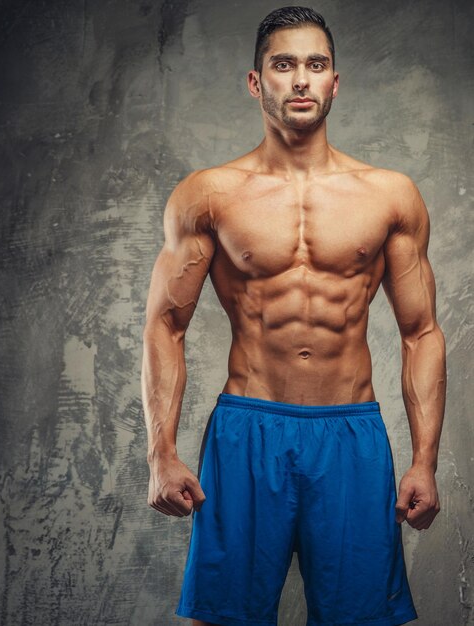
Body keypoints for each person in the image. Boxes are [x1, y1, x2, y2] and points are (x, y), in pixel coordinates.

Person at [141, 6, 446, 626]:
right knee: (221, 618)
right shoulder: (208, 194)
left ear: (336, 80)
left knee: (361, 619)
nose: (301, 79)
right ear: (257, 82)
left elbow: (421, 333)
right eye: (284, 65)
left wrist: (424, 460)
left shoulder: (390, 195)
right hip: (248, 429)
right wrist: (160, 453)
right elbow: (165, 326)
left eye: (316, 64)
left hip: (351, 434)